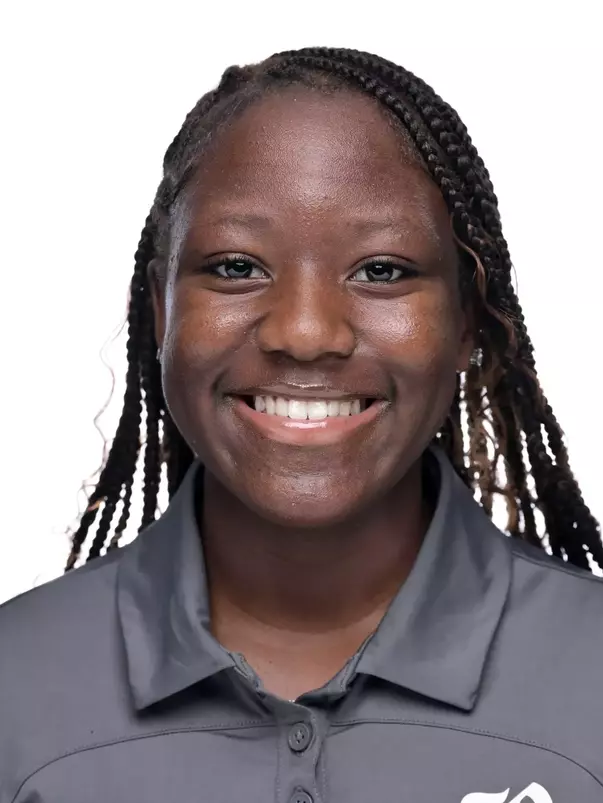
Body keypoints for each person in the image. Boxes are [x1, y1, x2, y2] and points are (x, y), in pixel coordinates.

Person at [1, 46, 602, 803]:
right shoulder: (15, 693)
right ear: (160, 309)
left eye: (381, 269)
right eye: (235, 266)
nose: (306, 331)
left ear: (464, 325)